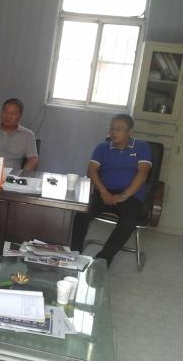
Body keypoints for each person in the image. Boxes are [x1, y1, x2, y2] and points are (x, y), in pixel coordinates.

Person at [70, 114, 152, 267]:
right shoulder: (102, 147)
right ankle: (74, 254)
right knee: (82, 213)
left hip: (131, 196)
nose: (113, 132)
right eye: (112, 128)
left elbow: (143, 173)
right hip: (104, 192)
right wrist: (103, 192)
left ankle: (102, 260)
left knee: (129, 221)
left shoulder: (142, 147)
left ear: (130, 132)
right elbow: (92, 170)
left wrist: (123, 196)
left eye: (118, 129)